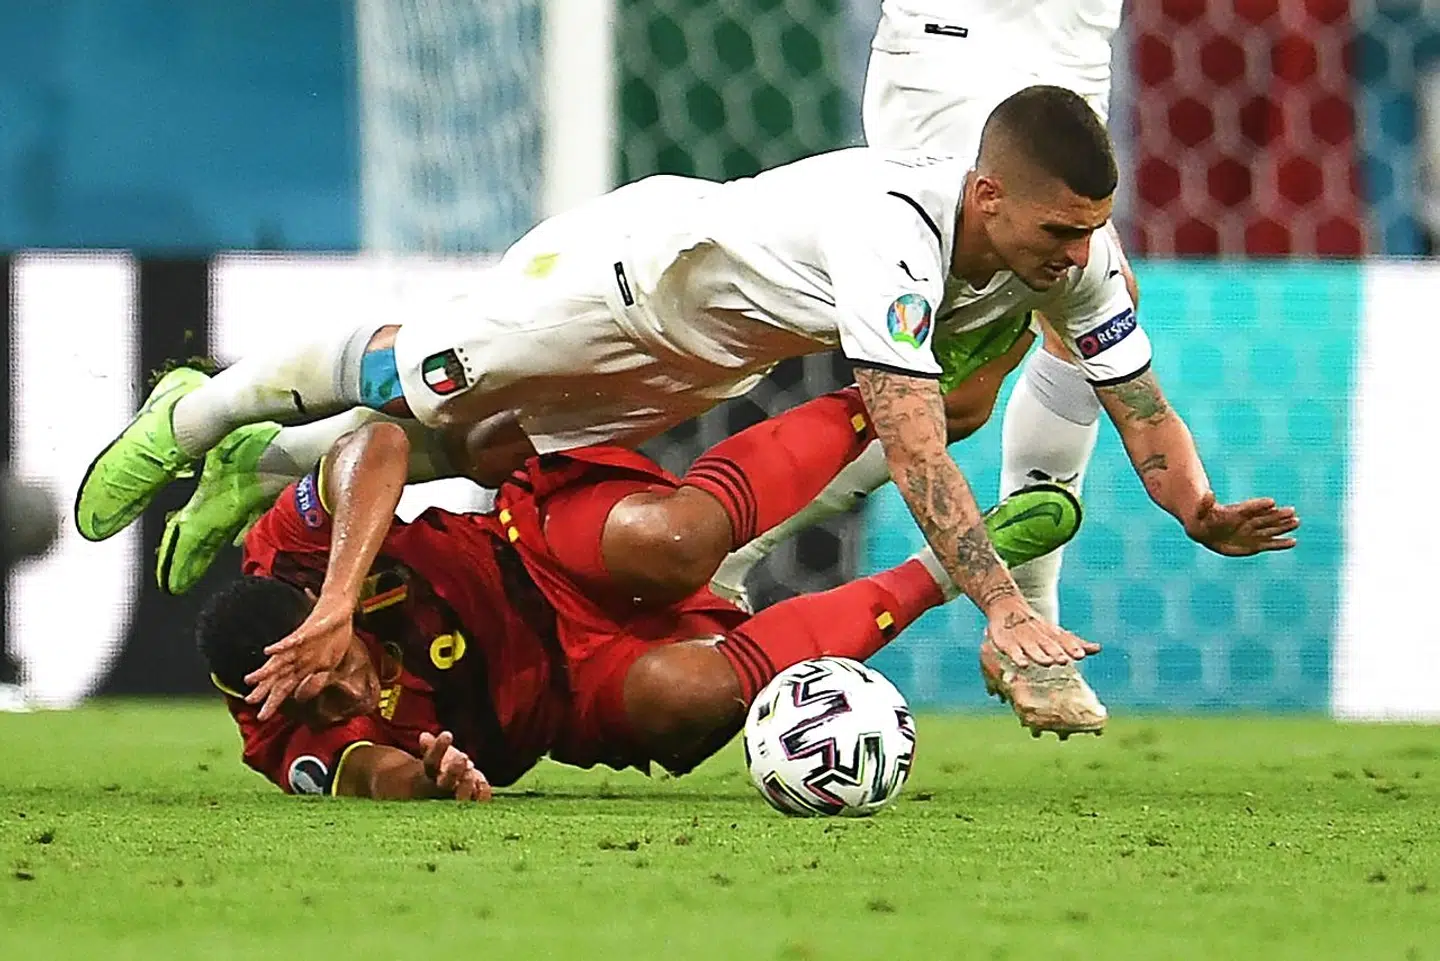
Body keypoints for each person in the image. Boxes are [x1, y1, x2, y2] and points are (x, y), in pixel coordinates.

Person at [82, 86, 1295, 736]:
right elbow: (912, 439)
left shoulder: (1071, 257)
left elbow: (1137, 401)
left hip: (707, 361)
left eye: (1094, 227)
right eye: (1062, 228)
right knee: (416, 380)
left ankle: (276, 460)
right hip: (625, 276)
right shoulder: (894, 231)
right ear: (987, 195)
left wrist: (1193, 504)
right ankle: (201, 416)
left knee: (474, 442)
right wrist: (997, 607)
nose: (1082, 252)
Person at [711, 2, 1297, 727]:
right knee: (942, 384)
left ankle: (1032, 614)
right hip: (955, 30)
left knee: (1081, 282)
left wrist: (1196, 505)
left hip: (1071, 31)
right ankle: (740, 546)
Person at [200, 391, 1066, 799]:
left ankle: (880, 396)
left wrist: (339, 600)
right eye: (327, 701)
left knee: (680, 540)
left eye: (338, 669)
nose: (351, 691)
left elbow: (377, 445)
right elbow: (365, 775)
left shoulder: (290, 553)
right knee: (695, 691)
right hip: (573, 695)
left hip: (536, 547)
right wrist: (436, 781)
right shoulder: (282, 730)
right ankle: (948, 569)